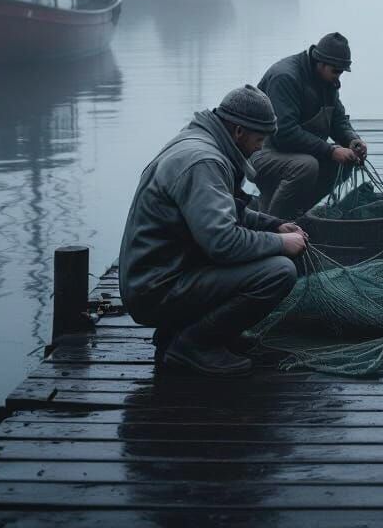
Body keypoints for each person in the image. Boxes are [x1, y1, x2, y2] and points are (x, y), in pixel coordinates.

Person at [118, 85, 307, 376]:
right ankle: (192, 345)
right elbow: (223, 243)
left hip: (161, 275)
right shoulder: (205, 161)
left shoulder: (200, 140)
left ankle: (195, 332)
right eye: (259, 139)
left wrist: (272, 225)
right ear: (239, 132)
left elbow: (225, 209)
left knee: (266, 256)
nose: (261, 148)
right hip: (155, 290)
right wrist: (281, 243)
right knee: (279, 271)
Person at [252, 32, 369, 220]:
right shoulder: (285, 77)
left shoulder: (327, 81)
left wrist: (352, 140)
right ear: (320, 63)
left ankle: (294, 214)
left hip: (295, 151)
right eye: (336, 71)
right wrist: (331, 151)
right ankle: (273, 225)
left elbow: (338, 120)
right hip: (260, 151)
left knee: (346, 162)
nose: (338, 77)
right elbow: (284, 133)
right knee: (306, 166)